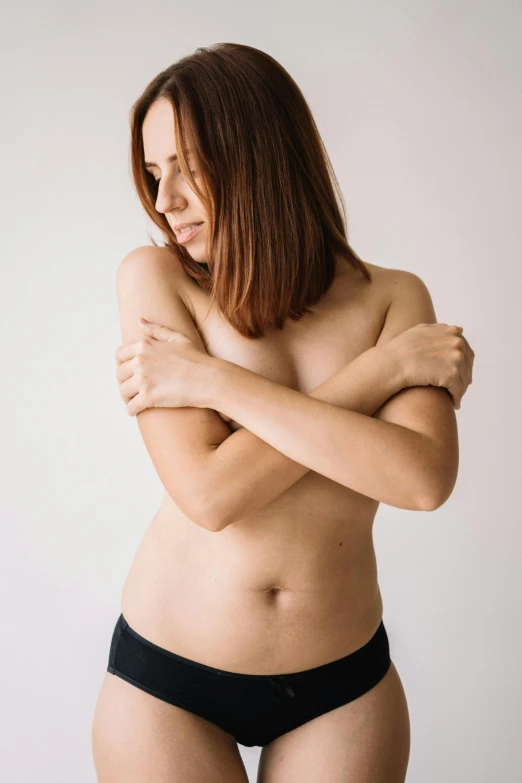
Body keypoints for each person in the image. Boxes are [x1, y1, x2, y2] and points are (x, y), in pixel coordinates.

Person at [91, 43, 474, 783]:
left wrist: (216, 383)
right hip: (169, 682)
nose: (164, 200)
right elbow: (210, 494)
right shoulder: (156, 279)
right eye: (152, 172)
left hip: (342, 686)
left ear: (259, 155)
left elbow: (422, 478)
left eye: (186, 165)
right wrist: (380, 372)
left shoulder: (395, 296)